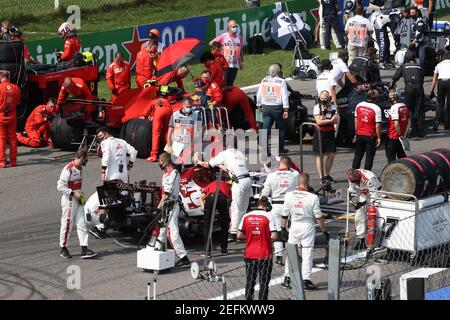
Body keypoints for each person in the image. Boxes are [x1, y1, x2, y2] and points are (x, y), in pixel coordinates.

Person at [281, 173, 328, 291]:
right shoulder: (313, 197)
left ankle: (287, 278)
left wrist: (283, 229)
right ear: (307, 183)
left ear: (298, 182)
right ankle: (305, 279)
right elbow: (319, 216)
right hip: (307, 226)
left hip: (294, 226)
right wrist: (324, 231)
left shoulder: (289, 195)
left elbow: (285, 214)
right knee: (307, 253)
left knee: (292, 252)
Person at [196, 145, 253, 243]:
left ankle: (233, 233)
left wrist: (197, 161)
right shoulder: (239, 153)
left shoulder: (224, 153)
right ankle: (240, 230)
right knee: (243, 209)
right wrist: (220, 165)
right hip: (247, 180)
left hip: (238, 182)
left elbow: (208, 165)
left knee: (235, 207)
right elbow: (229, 168)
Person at [57, 148, 97, 259]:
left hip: (79, 199)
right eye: (86, 159)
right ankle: (63, 248)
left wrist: (80, 195)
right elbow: (60, 187)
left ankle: (84, 249)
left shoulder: (79, 168)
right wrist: (73, 193)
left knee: (82, 223)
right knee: (67, 224)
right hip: (69, 200)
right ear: (81, 158)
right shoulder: (68, 169)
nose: (86, 162)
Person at [261, 156, 299, 266]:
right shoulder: (294, 174)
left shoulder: (271, 176)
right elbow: (296, 172)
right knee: (291, 230)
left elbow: (265, 193)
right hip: (290, 205)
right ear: (290, 165)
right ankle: (293, 254)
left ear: (279, 164)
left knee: (277, 231)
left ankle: (278, 256)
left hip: (276, 206)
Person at [238, 196, 277, 300]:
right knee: (264, 283)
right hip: (265, 255)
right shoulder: (269, 216)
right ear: (267, 206)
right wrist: (263, 236)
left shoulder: (246, 216)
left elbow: (239, 235)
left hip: (250, 254)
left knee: (250, 282)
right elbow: (274, 236)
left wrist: (251, 235)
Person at [156, 152, 191, 268]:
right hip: (167, 206)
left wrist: (159, 206)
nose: (159, 164)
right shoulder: (167, 173)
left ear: (166, 162)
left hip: (171, 206)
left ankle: (183, 258)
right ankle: (157, 251)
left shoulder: (173, 174)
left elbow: (167, 193)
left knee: (172, 233)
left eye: (160, 162)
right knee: (162, 229)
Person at [390, 50, 425, 138]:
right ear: (414, 58)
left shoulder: (403, 66)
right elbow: (422, 77)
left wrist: (390, 87)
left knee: (410, 110)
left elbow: (395, 78)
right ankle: (420, 132)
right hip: (419, 88)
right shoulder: (420, 66)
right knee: (419, 109)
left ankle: (413, 131)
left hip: (409, 89)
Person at [256, 64, 290, 155]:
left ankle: (264, 150)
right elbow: (284, 95)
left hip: (266, 107)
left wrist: (258, 104)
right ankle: (280, 149)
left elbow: (259, 94)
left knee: (265, 129)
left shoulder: (264, 80)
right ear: (279, 71)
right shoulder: (281, 81)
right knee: (282, 128)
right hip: (277, 107)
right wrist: (286, 108)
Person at [346, 168, 381, 250]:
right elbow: (352, 189)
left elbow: (374, 193)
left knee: (374, 216)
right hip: (363, 193)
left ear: (357, 175)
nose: (353, 182)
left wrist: (364, 203)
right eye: (352, 181)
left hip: (376, 194)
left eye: (354, 180)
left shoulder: (369, 177)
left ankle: (376, 237)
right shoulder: (351, 178)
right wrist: (354, 202)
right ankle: (361, 238)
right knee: (359, 215)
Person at [199, 171, 232, 256]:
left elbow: (201, 198)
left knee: (207, 226)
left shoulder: (211, 184)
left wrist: (204, 207)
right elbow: (229, 201)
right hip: (222, 198)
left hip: (210, 198)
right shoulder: (227, 185)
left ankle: (207, 251)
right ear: (225, 180)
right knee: (224, 224)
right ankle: (224, 249)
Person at [140, 86, 173, 162]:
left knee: (156, 133)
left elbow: (146, 112)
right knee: (167, 132)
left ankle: (154, 155)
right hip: (169, 110)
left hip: (159, 112)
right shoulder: (169, 101)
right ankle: (168, 152)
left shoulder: (155, 101)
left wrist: (144, 116)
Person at [166, 97, 202, 167]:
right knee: (175, 167)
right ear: (182, 105)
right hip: (176, 144)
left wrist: (197, 150)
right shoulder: (175, 115)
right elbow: (170, 131)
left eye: (191, 107)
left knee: (188, 167)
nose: (189, 108)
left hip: (189, 145)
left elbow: (199, 134)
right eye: (187, 106)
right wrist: (169, 145)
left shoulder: (196, 116)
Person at [352, 89, 382, 171]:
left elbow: (356, 121)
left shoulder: (359, 105)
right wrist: (379, 137)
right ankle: (367, 176)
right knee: (369, 157)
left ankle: (354, 175)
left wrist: (356, 133)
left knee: (357, 156)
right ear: (376, 98)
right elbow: (378, 125)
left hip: (360, 134)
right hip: (370, 136)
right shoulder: (376, 108)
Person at [314, 91, 339, 184]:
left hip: (330, 133)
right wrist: (330, 120)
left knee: (331, 154)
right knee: (319, 155)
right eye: (322, 98)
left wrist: (326, 120)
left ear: (329, 98)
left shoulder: (333, 107)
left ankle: (327, 175)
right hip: (320, 133)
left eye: (326, 98)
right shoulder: (317, 107)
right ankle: (321, 177)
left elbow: (336, 120)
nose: (324, 100)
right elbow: (319, 122)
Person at [209, 20, 244, 86]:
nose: (235, 28)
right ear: (229, 28)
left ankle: (228, 96)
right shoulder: (224, 36)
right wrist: (219, 50)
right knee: (223, 83)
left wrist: (241, 62)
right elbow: (211, 43)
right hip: (225, 64)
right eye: (233, 27)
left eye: (236, 26)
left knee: (230, 84)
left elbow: (241, 51)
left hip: (234, 64)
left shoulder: (239, 37)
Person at [0, 70, 21, 168]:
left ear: (1, 78)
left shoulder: (0, 87)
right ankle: (13, 161)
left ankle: (2, 162)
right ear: (9, 78)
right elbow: (17, 102)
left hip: (1, 115)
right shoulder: (15, 87)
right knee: (12, 139)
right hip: (12, 115)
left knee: (1, 139)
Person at [385, 91, 410, 163]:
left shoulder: (394, 108)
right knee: (402, 155)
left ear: (393, 99)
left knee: (391, 157)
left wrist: (399, 134)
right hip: (402, 136)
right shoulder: (404, 106)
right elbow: (409, 121)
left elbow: (396, 124)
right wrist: (404, 134)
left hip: (393, 135)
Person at [430, 51, 450, 132]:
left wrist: (432, 90)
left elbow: (434, 79)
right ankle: (447, 125)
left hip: (441, 83)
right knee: (448, 104)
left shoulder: (439, 64)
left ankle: (436, 124)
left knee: (439, 103)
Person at [370, 0, 393, 69]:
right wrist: (380, 8)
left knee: (387, 42)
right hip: (378, 18)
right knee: (383, 43)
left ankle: (387, 60)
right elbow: (370, 6)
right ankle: (381, 61)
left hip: (385, 17)